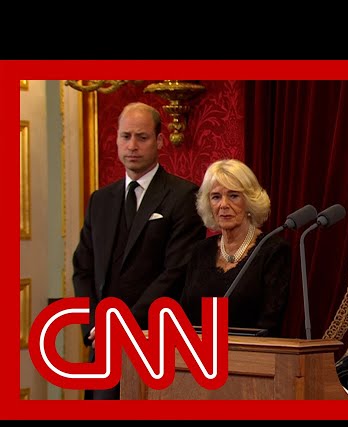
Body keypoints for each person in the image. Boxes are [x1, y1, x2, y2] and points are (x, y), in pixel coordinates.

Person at [72, 102, 206, 400]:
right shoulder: (100, 200)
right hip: (104, 346)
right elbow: (82, 269)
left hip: (154, 343)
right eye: (126, 136)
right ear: (117, 139)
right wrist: (94, 326)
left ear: (159, 141)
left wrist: (123, 327)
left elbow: (176, 272)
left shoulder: (184, 196)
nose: (132, 145)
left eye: (142, 137)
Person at [179, 159, 291, 336]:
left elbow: (270, 324)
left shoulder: (273, 250)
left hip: (252, 351)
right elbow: (185, 316)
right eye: (216, 197)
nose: (223, 204)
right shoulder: (200, 251)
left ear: (249, 201)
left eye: (233, 196)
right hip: (200, 350)